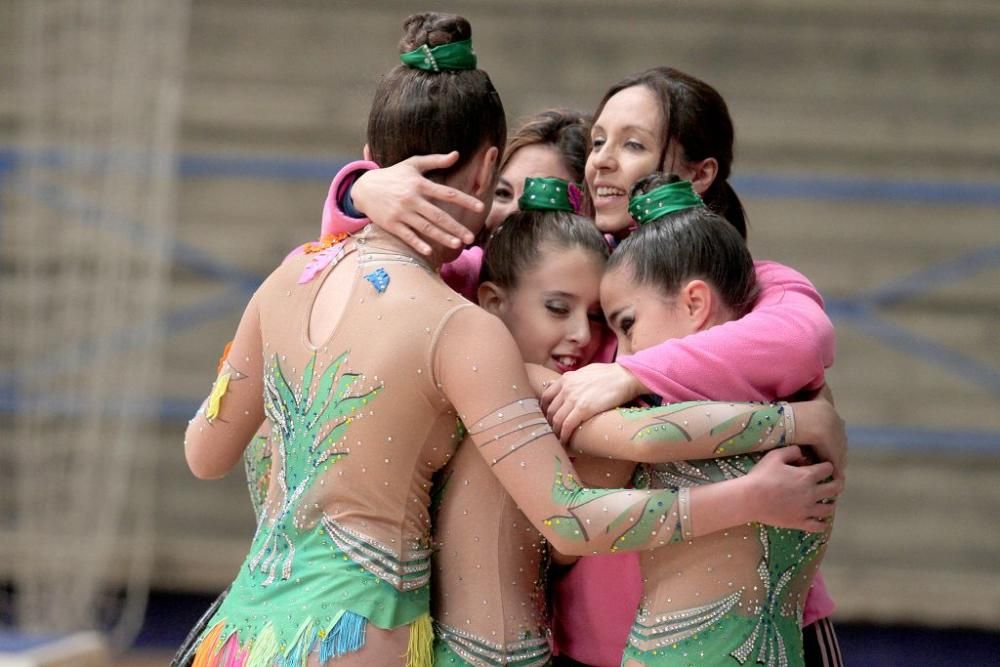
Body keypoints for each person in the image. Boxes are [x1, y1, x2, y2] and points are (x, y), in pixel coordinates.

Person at [181, 15, 836, 667]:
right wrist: (361, 190)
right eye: (504, 197)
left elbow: (801, 337)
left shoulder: (737, 284)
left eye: (632, 145)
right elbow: (575, 513)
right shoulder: (469, 314)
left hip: (258, 630)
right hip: (418, 636)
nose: (515, 223)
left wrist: (629, 373)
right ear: (486, 177)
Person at [537, 174, 837, 665]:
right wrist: (796, 426)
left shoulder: (795, 385)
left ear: (695, 302)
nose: (622, 356)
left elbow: (653, 439)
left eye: (628, 326)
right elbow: (577, 529)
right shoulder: (805, 399)